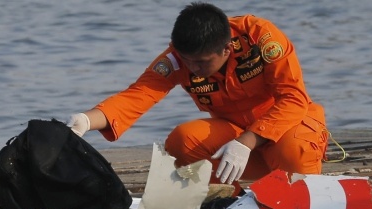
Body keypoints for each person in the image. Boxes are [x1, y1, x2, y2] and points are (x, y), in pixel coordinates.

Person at [66, 2, 328, 189]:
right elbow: (138, 95)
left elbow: (293, 98)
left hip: (287, 133)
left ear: (227, 49)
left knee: (295, 146)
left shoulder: (260, 37)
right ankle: (224, 202)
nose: (192, 69)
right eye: (186, 60)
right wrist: (85, 122)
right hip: (236, 142)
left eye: (201, 63)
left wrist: (247, 141)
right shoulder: (178, 59)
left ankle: (306, 201)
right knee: (182, 141)